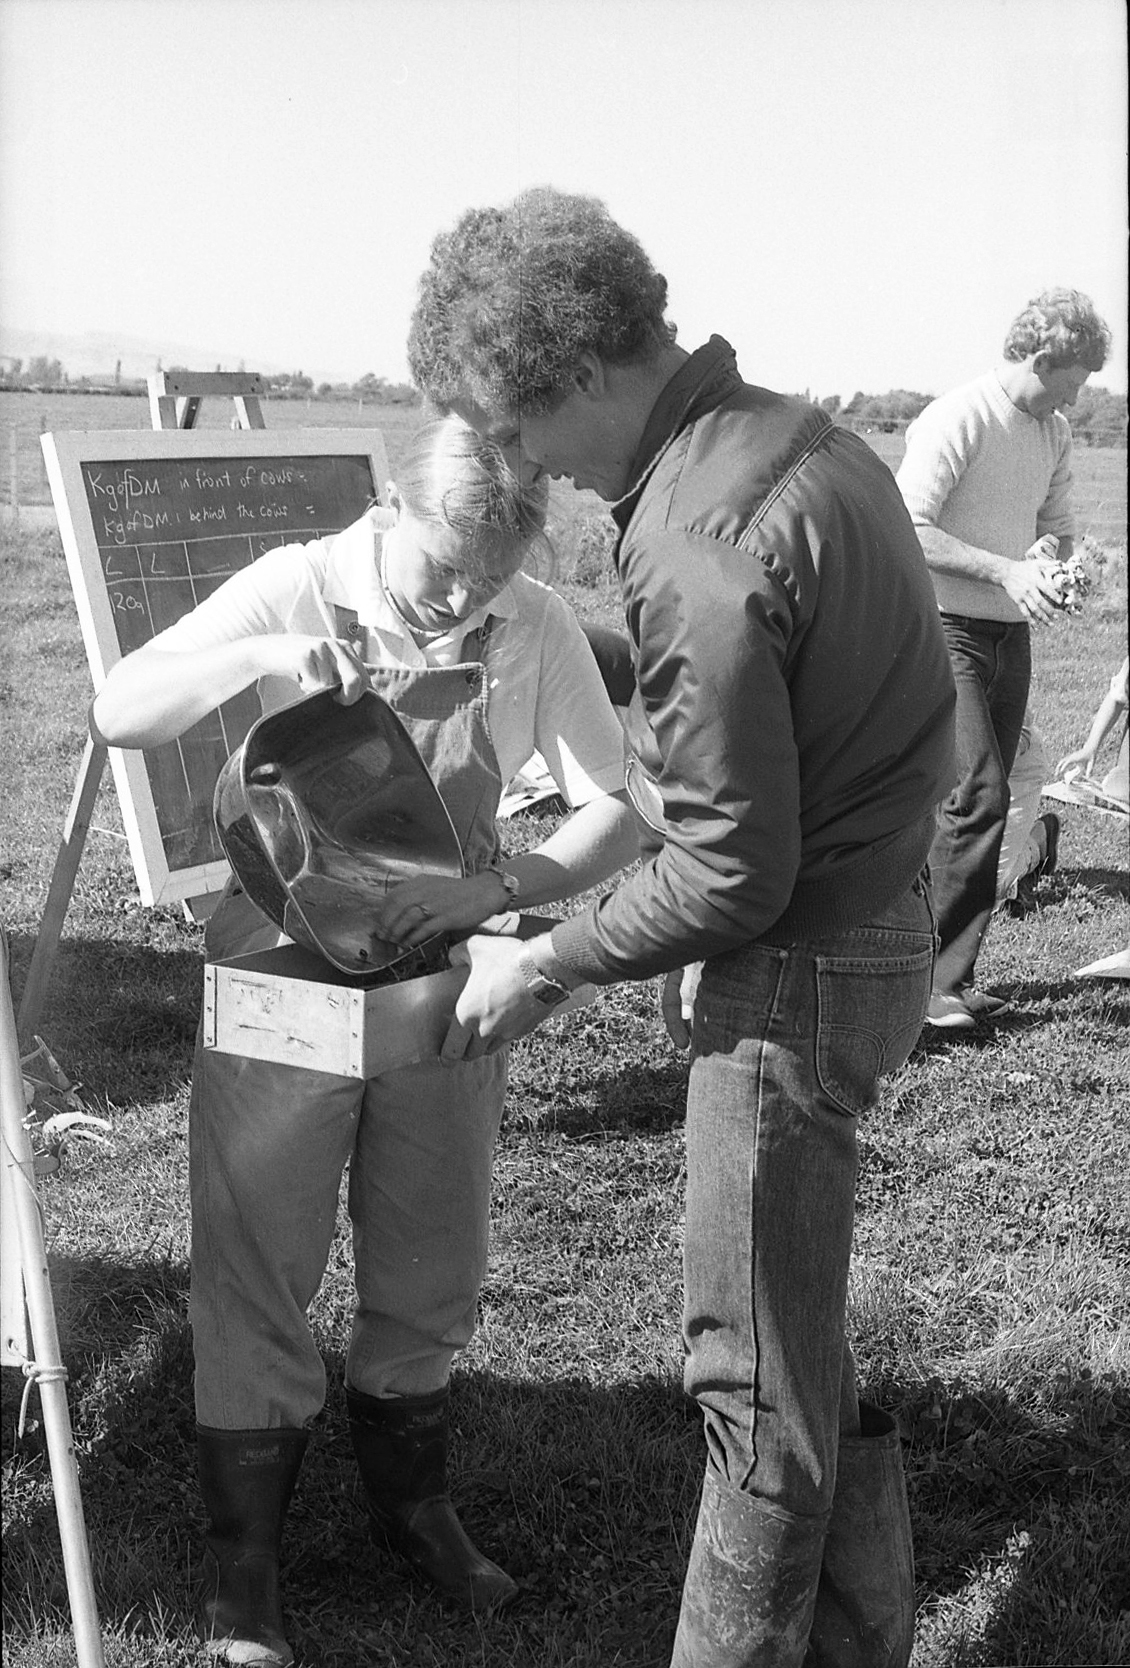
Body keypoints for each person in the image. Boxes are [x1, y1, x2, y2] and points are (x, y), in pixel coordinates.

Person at [406, 187, 956, 1668]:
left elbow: (728, 874)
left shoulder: (696, 537)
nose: (529, 473)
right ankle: (858, 1641)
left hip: (801, 967)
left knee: (752, 1394)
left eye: (517, 432)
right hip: (873, 919)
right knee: (796, 1338)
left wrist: (553, 959)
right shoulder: (799, 439)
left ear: (579, 371)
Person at [89, 416, 641, 1667]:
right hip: (277, 977)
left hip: (434, 981)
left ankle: (415, 1508)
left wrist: (493, 890)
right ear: (394, 510)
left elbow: (615, 812)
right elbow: (119, 710)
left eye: (490, 574)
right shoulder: (297, 580)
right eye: (446, 565)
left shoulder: (532, 621)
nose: (463, 595)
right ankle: (246, 1569)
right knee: (257, 1266)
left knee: (430, 1251)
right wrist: (272, 654)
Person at [895, 288, 1112, 1030]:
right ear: (1042, 357)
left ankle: (948, 980)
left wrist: (1054, 565)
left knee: (1003, 792)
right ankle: (917, 988)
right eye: (1075, 379)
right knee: (975, 794)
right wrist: (1006, 571)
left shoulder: (1053, 435)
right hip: (938, 627)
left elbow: (1056, 527)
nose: (1078, 398)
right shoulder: (961, 415)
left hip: (1004, 633)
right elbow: (908, 526)